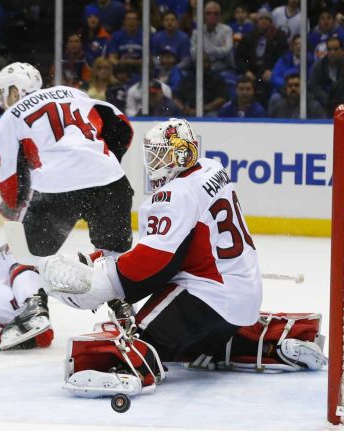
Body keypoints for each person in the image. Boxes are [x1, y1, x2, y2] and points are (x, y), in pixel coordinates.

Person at [37, 118, 328, 395]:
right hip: (244, 298)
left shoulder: (174, 195)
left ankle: (127, 369)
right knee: (192, 343)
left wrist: (103, 283)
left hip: (208, 298)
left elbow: (152, 264)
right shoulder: (213, 169)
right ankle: (264, 344)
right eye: (152, 156)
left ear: (182, 154)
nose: (154, 164)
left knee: (140, 340)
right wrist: (104, 259)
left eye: (161, 156)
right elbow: (180, 249)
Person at [0, 62, 134, 257]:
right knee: (113, 259)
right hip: (112, 183)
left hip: (58, 191)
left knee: (25, 260)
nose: (2, 102)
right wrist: (104, 163)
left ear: (15, 90)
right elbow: (122, 126)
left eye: (3, 94)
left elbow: (11, 181)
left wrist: (11, 205)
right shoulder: (73, 93)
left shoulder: (10, 117)